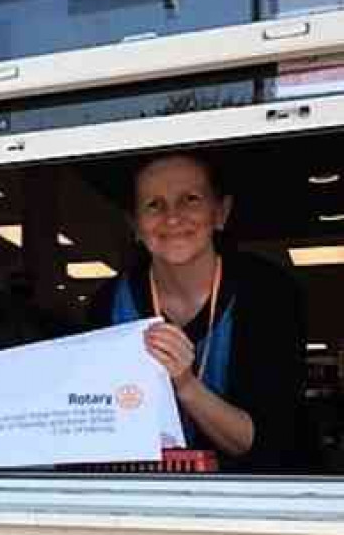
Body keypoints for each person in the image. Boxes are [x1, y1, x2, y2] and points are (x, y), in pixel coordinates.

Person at [88, 152, 306, 471]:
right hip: (141, 497)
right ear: (135, 225)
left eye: (190, 199)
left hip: (253, 501)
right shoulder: (108, 303)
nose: (172, 218)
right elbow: (98, 428)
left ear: (221, 212)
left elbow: (265, 442)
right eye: (153, 204)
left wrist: (185, 384)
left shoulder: (267, 293)